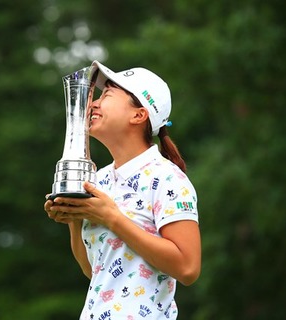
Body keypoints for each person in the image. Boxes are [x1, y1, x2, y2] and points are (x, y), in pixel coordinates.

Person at [44, 60, 201, 319]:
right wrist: (75, 217)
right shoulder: (99, 179)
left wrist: (111, 218)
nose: (92, 104)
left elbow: (188, 267)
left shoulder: (167, 178)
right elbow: (92, 268)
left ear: (138, 115)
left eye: (106, 95)